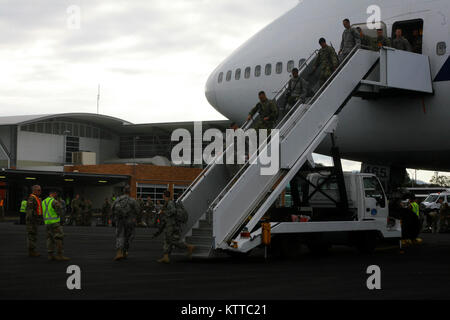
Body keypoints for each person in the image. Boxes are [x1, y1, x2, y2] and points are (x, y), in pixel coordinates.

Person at [151, 190, 194, 264]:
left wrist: (164, 212)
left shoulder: (170, 203)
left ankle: (188, 247)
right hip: (169, 225)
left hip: (172, 225)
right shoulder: (168, 203)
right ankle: (166, 257)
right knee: (167, 241)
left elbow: (173, 211)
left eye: (163, 195)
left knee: (172, 240)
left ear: (164, 196)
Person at [111, 185, 139, 261]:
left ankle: (119, 253)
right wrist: (136, 219)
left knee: (120, 235)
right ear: (129, 192)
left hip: (120, 220)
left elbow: (112, 208)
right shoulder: (132, 200)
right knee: (128, 237)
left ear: (123, 191)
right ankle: (125, 252)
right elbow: (137, 210)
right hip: (129, 221)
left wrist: (113, 218)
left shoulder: (118, 199)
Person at [42, 191, 70, 261]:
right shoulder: (54, 201)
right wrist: (62, 220)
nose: (56, 195)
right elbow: (60, 212)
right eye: (56, 194)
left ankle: (50, 255)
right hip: (55, 223)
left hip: (47, 223)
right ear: (53, 193)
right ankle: (60, 255)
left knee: (49, 239)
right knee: (59, 238)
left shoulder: (43, 201)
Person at [26, 185, 43, 257]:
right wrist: (32, 220)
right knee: (31, 235)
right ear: (34, 191)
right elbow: (30, 211)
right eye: (38, 190)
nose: (40, 192)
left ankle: (32, 250)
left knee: (34, 235)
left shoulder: (37, 198)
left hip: (35, 220)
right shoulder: (32, 198)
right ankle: (31, 251)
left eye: (40, 190)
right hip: (32, 220)